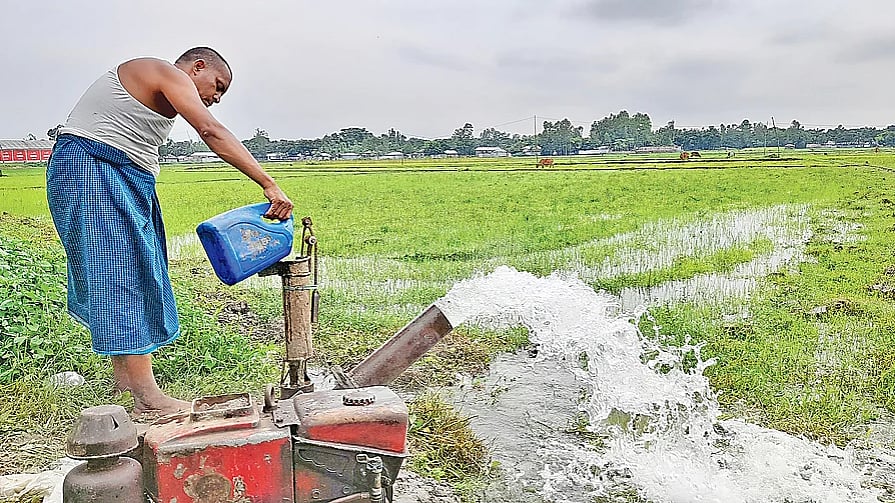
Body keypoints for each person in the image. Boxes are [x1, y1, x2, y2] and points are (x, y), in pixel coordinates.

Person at [46, 47, 293, 414]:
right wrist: (269, 184)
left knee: (130, 269)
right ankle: (147, 397)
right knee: (120, 273)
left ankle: (127, 386)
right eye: (217, 85)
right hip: (95, 171)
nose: (216, 97)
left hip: (115, 174)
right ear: (197, 67)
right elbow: (210, 130)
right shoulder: (163, 71)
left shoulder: (160, 88)